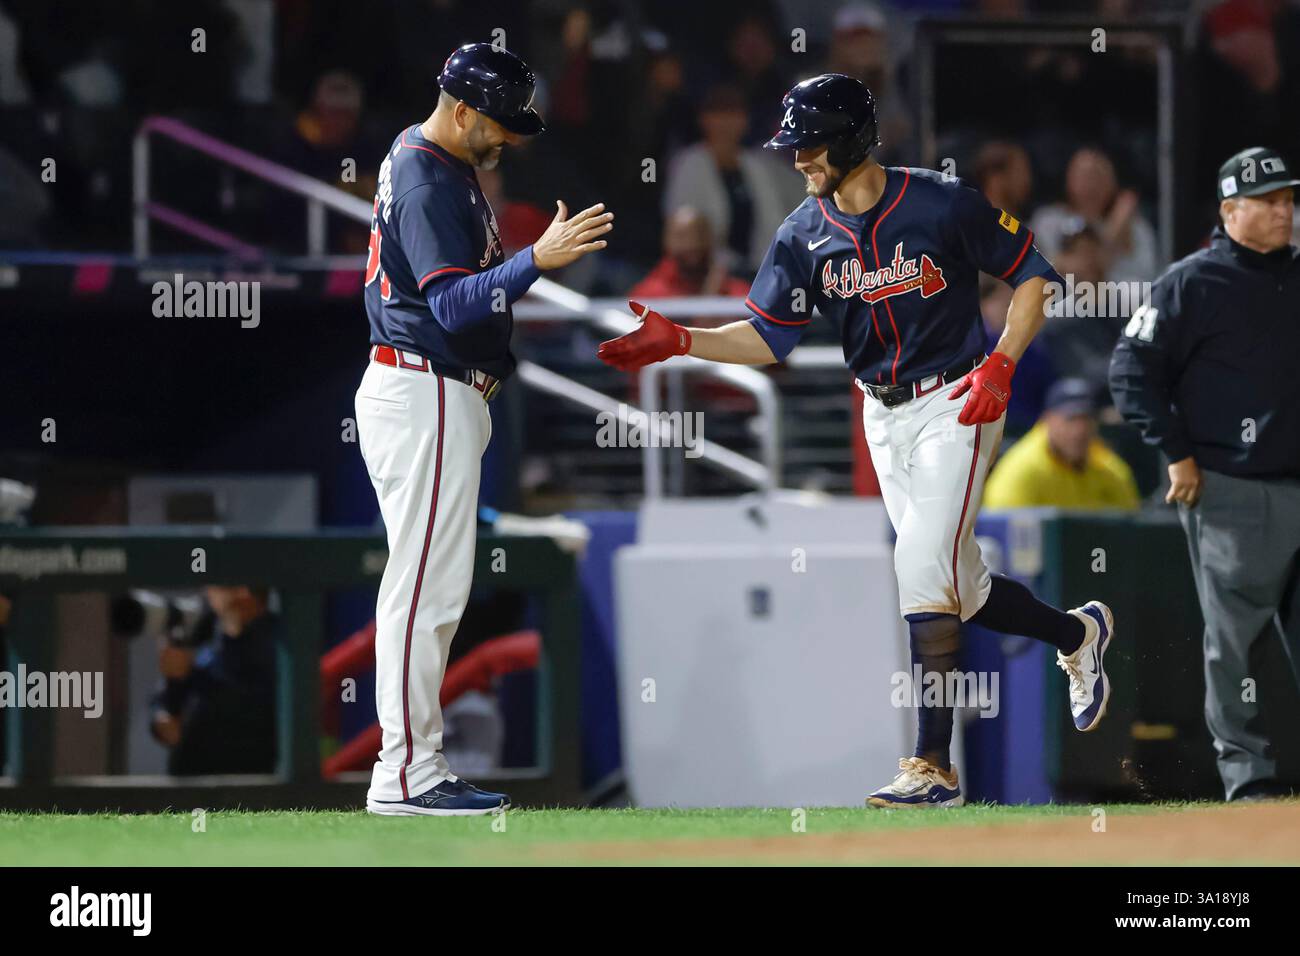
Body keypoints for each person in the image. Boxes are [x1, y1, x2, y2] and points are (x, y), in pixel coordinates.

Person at [599, 73, 1115, 809]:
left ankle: (932, 766)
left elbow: (1034, 275)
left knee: (920, 565)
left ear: (851, 139)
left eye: (809, 144)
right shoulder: (802, 233)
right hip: (882, 412)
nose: (798, 159)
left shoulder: (939, 201)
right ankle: (1076, 634)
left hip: (959, 398)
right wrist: (684, 339)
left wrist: (1003, 363)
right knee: (961, 589)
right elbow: (768, 337)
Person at [356, 42, 613, 816]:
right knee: (423, 591)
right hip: (424, 385)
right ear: (462, 108)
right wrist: (538, 258)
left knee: (431, 587)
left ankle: (414, 767)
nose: (506, 136)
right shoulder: (427, 177)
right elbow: (454, 306)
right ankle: (406, 774)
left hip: (431, 389)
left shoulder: (437, 160)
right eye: (497, 122)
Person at [1110, 146, 1300, 802]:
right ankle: (1249, 781)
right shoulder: (1191, 282)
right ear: (1229, 210)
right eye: (1268, 202)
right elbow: (1130, 370)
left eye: (1288, 200)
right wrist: (1176, 451)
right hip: (1232, 489)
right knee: (1235, 644)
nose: (1284, 212)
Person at [662, 83, 804, 276]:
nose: (726, 123)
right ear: (703, 119)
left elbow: (774, 222)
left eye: (733, 115)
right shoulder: (689, 163)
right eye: (718, 114)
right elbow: (682, 229)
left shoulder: (755, 164)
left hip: (757, 270)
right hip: (703, 273)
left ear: (745, 120)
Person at [150, 587, 278, 775]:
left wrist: (193, 675)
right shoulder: (203, 630)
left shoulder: (279, 640)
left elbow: (254, 702)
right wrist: (169, 699)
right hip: (193, 778)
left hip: (253, 776)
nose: (209, 593)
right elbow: (167, 720)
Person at [983, 378, 1139, 510]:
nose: (1079, 430)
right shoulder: (1020, 472)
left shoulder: (1110, 469)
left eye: (1086, 419)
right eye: (1070, 419)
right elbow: (1006, 532)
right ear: (1048, 420)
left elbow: (1131, 525)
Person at [1030, 146, 1160, 284]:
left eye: (1098, 176)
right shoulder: (1047, 221)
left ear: (1112, 183)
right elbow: (1038, 269)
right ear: (1068, 180)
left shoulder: (1133, 227)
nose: (1091, 185)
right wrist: (1113, 234)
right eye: (1084, 176)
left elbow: (1147, 279)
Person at [630, 207, 750, 300]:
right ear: (666, 240)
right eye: (681, 236)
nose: (692, 243)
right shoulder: (648, 294)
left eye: (700, 234)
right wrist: (708, 299)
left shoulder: (738, 292)